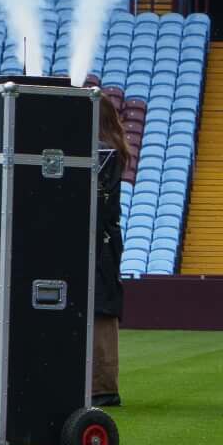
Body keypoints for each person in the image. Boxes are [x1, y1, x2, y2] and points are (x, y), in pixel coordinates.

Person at [92, 97, 126, 408]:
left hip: (99, 240)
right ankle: (102, 383)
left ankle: (102, 385)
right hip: (106, 240)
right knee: (101, 307)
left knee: (99, 309)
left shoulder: (101, 154)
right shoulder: (112, 151)